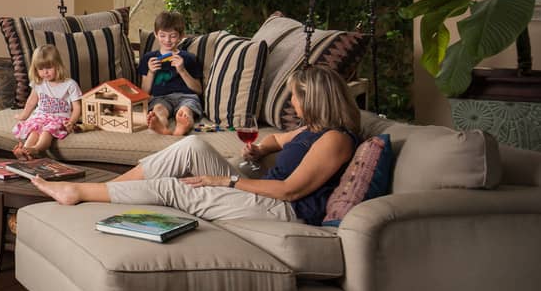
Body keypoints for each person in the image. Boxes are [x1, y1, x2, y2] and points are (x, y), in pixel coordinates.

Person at [28, 64, 359, 226]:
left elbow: (288, 191)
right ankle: (106, 191)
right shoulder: (312, 128)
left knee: (175, 188)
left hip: (282, 210)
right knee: (193, 146)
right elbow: (276, 139)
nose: (292, 104)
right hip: (260, 190)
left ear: (314, 99)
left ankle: (80, 193)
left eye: (296, 97)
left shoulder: (335, 139)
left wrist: (226, 180)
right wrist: (261, 149)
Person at [139, 11, 205, 136]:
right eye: (162, 35)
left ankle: (182, 127)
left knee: (185, 111)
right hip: (160, 98)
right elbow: (144, 92)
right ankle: (161, 126)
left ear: (181, 36)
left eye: (173, 36)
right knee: (158, 110)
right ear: (155, 34)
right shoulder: (149, 58)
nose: (167, 40)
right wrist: (151, 72)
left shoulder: (189, 58)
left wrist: (182, 70)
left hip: (186, 97)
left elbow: (198, 90)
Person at [12, 44, 82, 160]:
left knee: (46, 132)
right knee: (34, 131)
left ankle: (37, 149)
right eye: (41, 69)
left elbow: (77, 107)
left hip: (59, 118)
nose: (45, 72)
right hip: (41, 116)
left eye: (49, 68)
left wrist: (71, 122)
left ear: (58, 65)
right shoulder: (39, 83)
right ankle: (25, 151)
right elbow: (31, 101)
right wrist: (24, 115)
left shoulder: (70, 84)